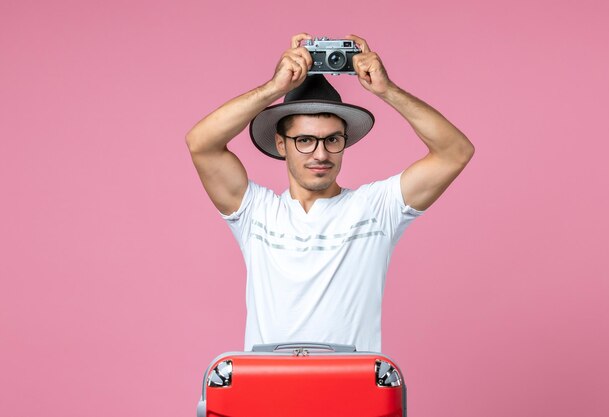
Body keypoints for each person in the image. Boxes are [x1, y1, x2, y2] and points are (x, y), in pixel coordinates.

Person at [186, 33, 474, 352]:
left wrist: (386, 90)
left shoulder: (376, 208)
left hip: (354, 394)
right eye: (305, 140)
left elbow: (454, 152)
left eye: (332, 140)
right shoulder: (256, 212)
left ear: (344, 142)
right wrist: (274, 88)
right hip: (270, 393)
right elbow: (201, 143)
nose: (320, 154)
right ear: (281, 144)